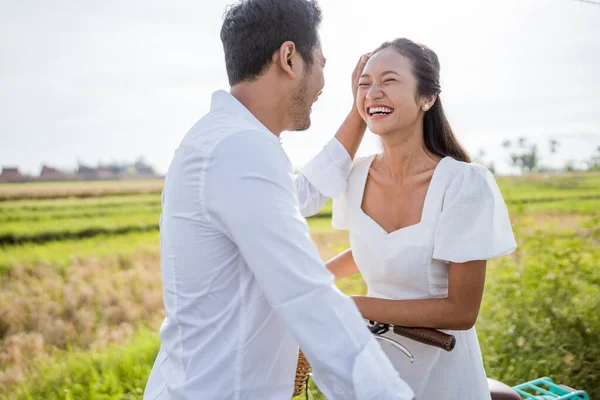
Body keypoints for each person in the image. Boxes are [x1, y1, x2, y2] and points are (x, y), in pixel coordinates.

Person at [143, 1, 414, 399]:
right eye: (320, 62)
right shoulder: (239, 150)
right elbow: (308, 297)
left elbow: (301, 191)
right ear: (289, 58)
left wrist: (359, 113)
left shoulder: (223, 139)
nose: (323, 81)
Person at [321, 38, 518, 399]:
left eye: (390, 81)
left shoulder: (463, 183)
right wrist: (306, 283)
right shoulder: (353, 176)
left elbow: (461, 310)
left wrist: (354, 306)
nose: (373, 93)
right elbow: (373, 249)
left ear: (427, 98)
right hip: (375, 362)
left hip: (442, 366)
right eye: (364, 83)